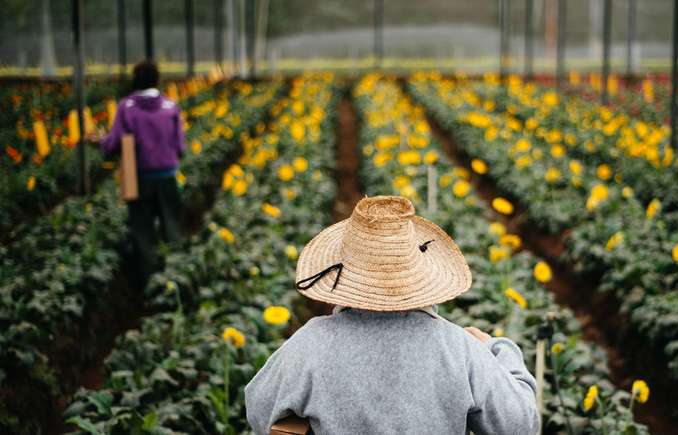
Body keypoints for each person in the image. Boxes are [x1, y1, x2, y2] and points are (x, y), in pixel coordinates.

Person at [245, 196, 540, 435]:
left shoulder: (311, 343)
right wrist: (497, 349)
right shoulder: (458, 347)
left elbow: (258, 409)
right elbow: (520, 425)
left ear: (343, 270)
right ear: (421, 273)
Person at [88, 60, 185, 288]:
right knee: (171, 224)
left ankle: (149, 282)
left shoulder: (127, 106)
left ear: (135, 80)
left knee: (142, 229)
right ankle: (176, 275)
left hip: (139, 177)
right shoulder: (171, 107)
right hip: (167, 176)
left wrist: (98, 142)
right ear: (157, 80)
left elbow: (114, 143)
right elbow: (180, 146)